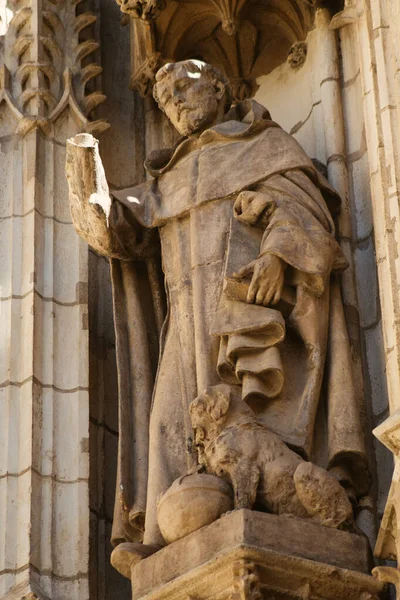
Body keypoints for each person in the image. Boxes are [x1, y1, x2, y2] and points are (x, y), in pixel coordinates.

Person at [66, 59, 369, 572]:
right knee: (169, 419)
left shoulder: (267, 146)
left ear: (221, 86)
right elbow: (118, 231)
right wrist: (84, 166)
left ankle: (282, 509)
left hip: (248, 311)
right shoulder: (170, 174)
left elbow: (306, 213)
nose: (176, 104)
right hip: (185, 316)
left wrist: (277, 256)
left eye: (184, 87)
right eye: (165, 100)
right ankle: (167, 532)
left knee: (247, 418)